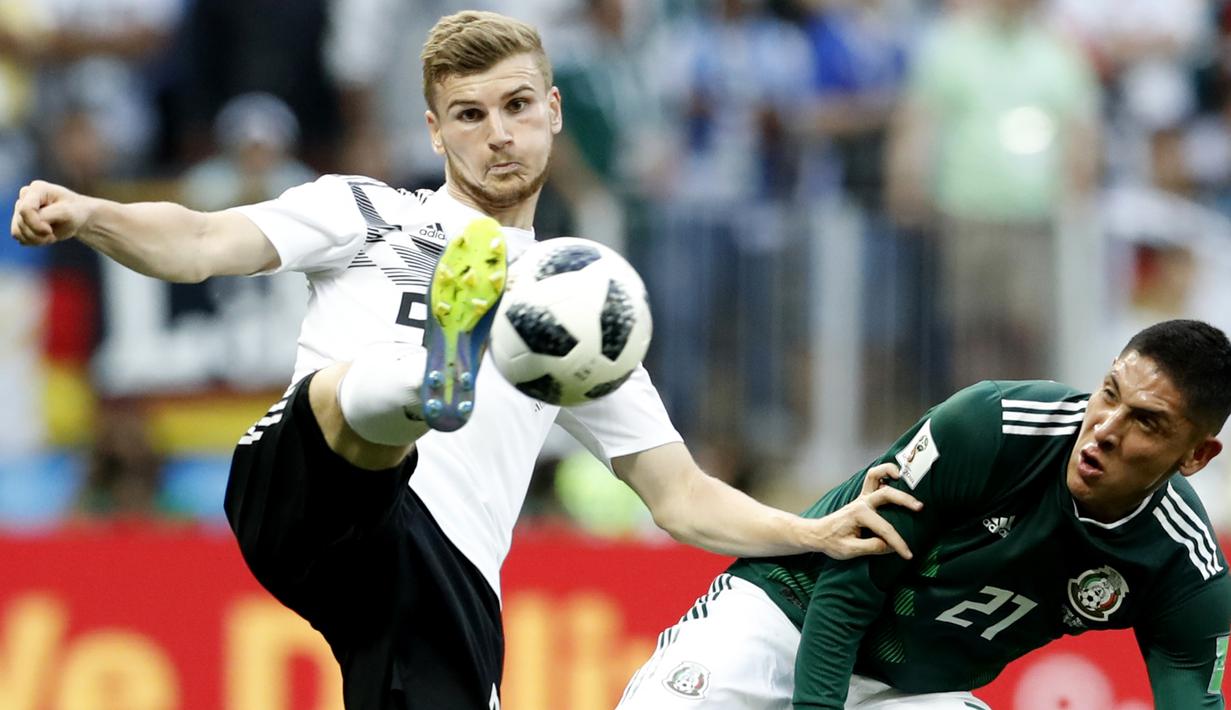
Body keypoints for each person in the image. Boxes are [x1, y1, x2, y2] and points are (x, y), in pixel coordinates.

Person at [10, 11, 922, 710]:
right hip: (306, 488)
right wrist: (93, 215)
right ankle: (423, 380)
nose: (498, 133)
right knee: (347, 397)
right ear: (436, 131)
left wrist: (808, 532)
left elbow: (679, 497)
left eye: (518, 106)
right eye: (469, 115)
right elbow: (202, 240)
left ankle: (425, 381)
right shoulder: (363, 209)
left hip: (436, 578)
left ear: (553, 111)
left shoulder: (575, 304)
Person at [618, 318, 1231, 710]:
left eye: (1145, 422)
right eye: (1108, 394)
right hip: (785, 617)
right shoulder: (990, 425)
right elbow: (849, 586)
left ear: (1196, 456)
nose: (1104, 429)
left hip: (913, 693)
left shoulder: (1185, 565)